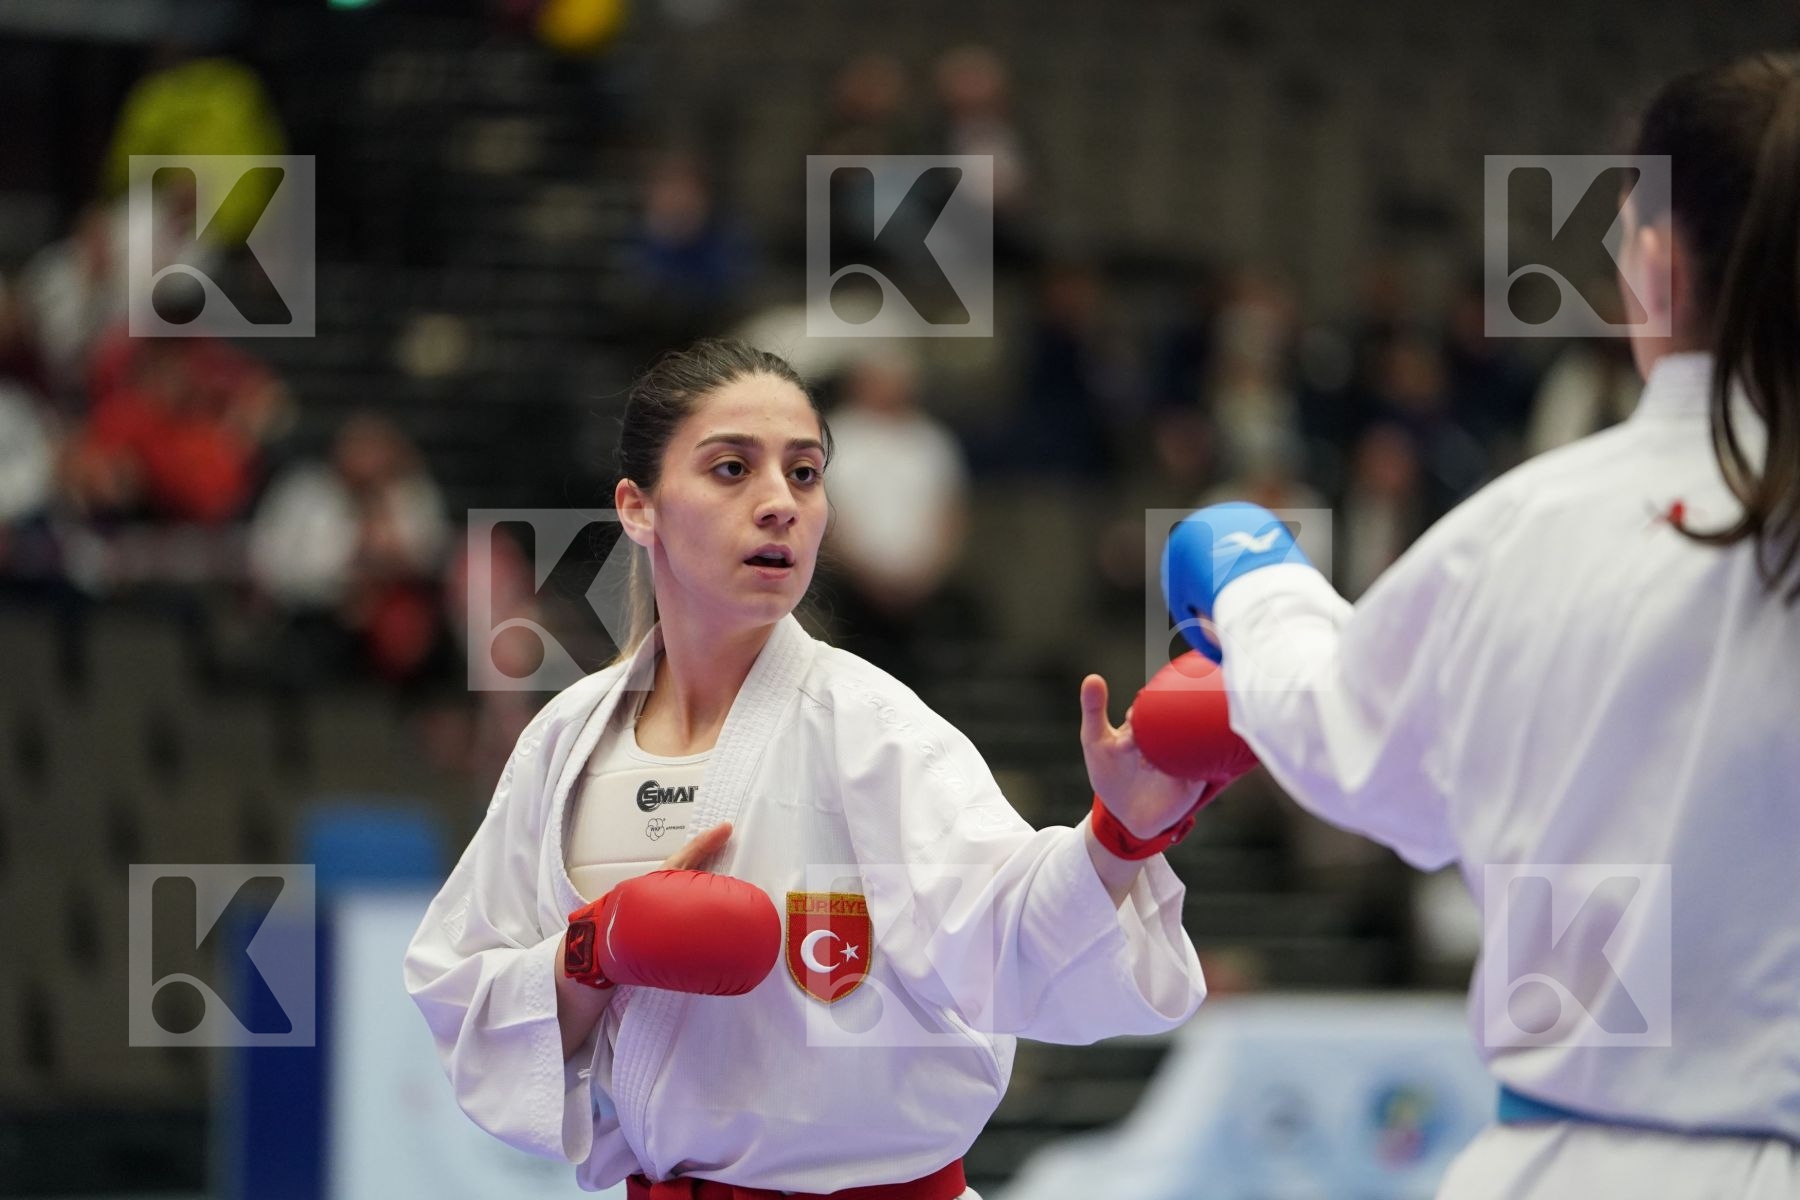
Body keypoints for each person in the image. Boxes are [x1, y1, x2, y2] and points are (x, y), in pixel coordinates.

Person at [1162, 52, 1800, 1197]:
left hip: (1583, 1161)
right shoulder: (1540, 526)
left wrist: (1252, 579)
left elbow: (1358, 750)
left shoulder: (1535, 530)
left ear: (1654, 263)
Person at [403, 339, 1210, 1197]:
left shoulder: (874, 731)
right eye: (730, 469)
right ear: (638, 509)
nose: (779, 504)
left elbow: (1006, 936)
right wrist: (592, 952)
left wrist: (1119, 837)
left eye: (804, 473)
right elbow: (464, 996)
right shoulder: (566, 742)